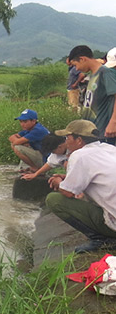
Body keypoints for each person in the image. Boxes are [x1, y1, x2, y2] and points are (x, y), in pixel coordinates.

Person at [46, 120, 116, 254]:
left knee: (54, 200)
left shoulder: (79, 155)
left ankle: (102, 239)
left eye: (68, 137)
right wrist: (66, 178)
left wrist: (57, 182)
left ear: (79, 140)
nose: (66, 142)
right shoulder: (109, 149)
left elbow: (68, 192)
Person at [68, 45, 116, 144]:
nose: (76, 69)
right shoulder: (93, 75)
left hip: (104, 130)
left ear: (82, 59)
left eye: (75, 65)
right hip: (93, 131)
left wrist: (113, 122)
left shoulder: (105, 73)